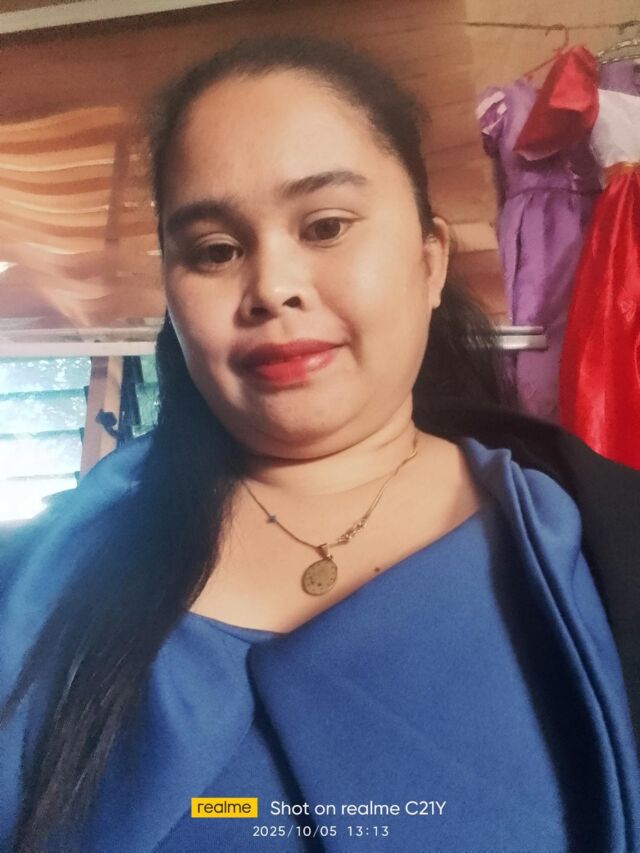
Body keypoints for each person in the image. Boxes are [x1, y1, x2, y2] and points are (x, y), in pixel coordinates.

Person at [0, 34, 638, 853]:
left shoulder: (602, 546)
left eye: (327, 225)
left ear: (430, 260)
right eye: (215, 250)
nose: (271, 287)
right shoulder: (40, 583)